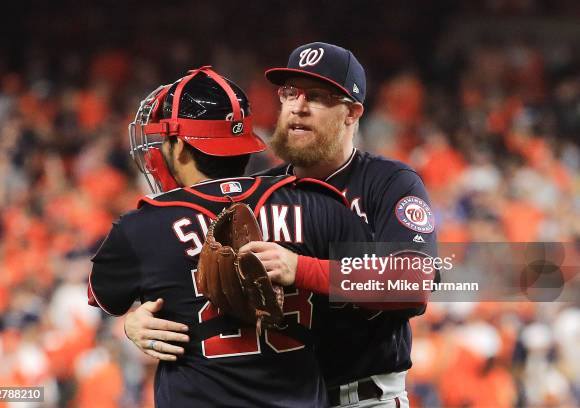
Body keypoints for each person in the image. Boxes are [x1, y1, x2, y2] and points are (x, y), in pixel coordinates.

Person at [123, 44, 438, 407]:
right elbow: (206, 282)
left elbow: (412, 282)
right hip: (282, 397)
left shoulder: (388, 183)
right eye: (290, 93)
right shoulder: (260, 190)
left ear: (352, 113)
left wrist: (299, 268)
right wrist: (139, 322)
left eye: (317, 97)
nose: (297, 106)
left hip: (361, 396)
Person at [88, 66, 372, 407]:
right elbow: (406, 285)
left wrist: (131, 324)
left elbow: (105, 300)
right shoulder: (316, 202)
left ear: (179, 146)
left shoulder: (141, 228)